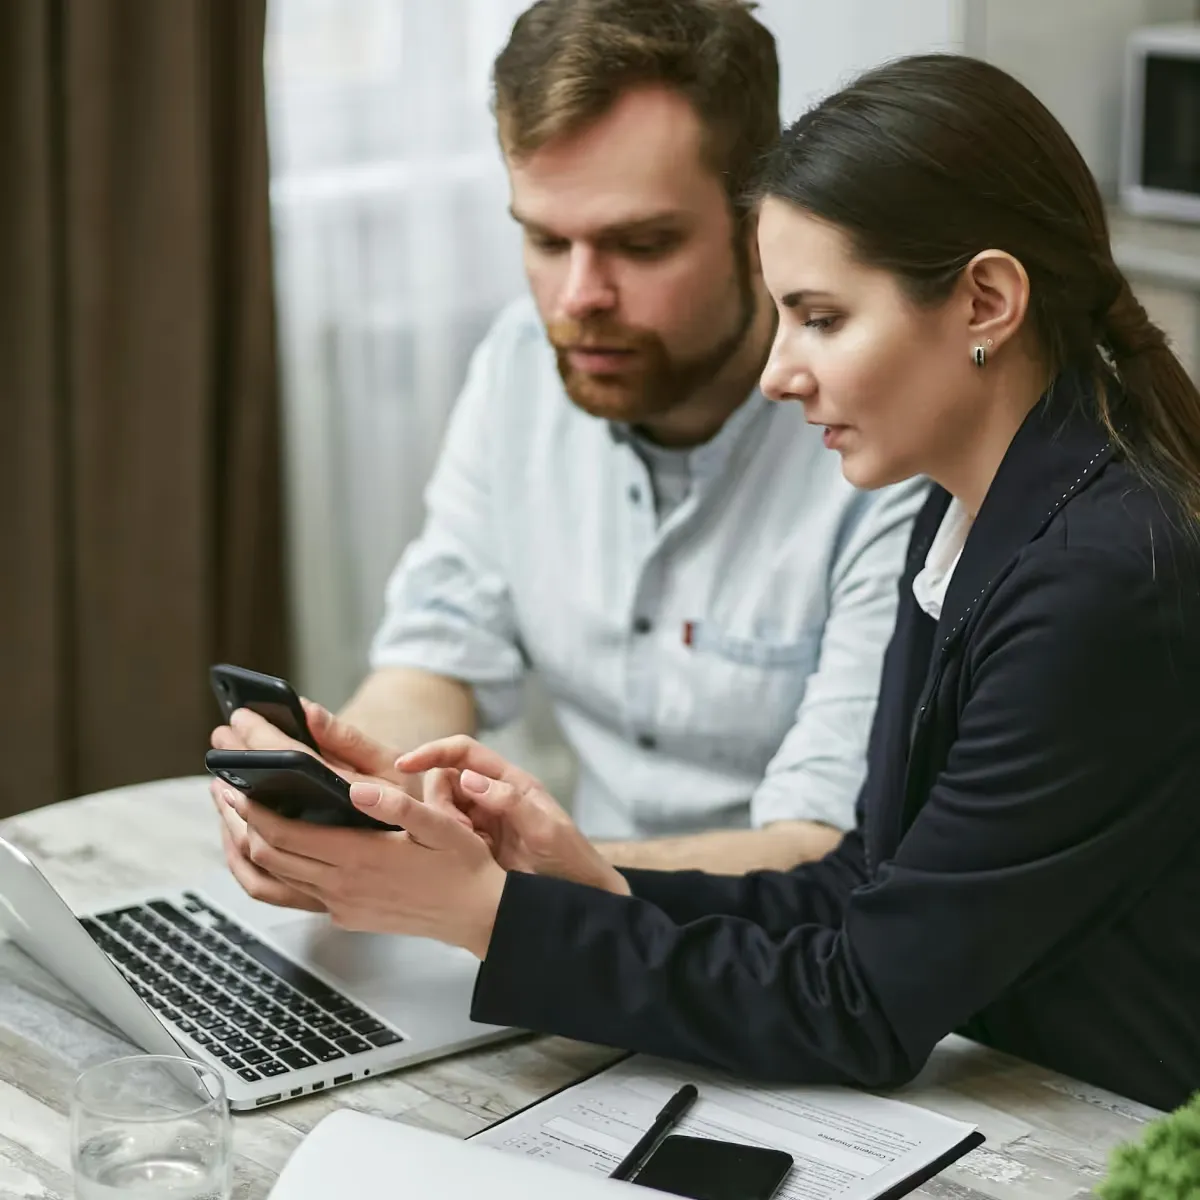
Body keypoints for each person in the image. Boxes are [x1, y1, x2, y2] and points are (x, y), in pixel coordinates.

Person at [215, 52, 1200, 1113]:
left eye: (822, 318)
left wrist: (485, 914)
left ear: (986, 302)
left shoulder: (1098, 581)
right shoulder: (961, 504)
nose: (780, 372)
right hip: (1022, 1093)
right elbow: (865, 885)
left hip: (1114, 1134)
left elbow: (864, 1003)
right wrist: (575, 879)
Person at [210, 0, 925, 875]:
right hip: (573, 923)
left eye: (641, 244)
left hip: (782, 958)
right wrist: (355, 789)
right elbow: (440, 644)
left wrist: (504, 878)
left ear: (759, 227)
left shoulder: (884, 446)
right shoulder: (520, 361)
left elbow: (822, 849)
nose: (578, 297)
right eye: (547, 238)